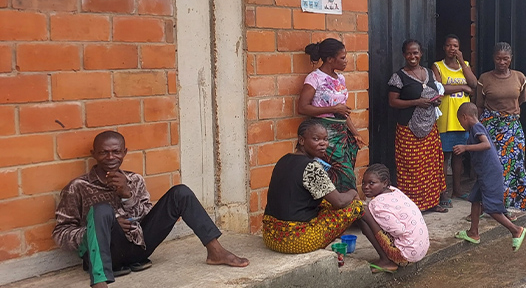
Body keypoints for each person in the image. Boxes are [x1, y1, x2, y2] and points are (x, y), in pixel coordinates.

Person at [53, 131, 248, 288]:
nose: (111, 157)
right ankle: (100, 281)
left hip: (139, 248)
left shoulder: (134, 180)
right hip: (105, 254)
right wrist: (102, 227)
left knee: (180, 192)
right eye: (104, 152)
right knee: (101, 211)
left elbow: (147, 217)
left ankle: (215, 252)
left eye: (116, 151)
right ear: (93, 153)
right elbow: (61, 233)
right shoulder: (77, 187)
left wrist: (126, 194)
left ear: (124, 152)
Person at [262, 119, 364, 254]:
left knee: (326, 205)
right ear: (302, 140)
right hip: (293, 240)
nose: (323, 144)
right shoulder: (311, 167)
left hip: (270, 235)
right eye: (316, 139)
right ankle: (387, 252)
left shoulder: (283, 159)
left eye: (325, 139)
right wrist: (352, 192)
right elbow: (339, 202)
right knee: (357, 206)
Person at [452, 103, 526, 251]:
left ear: (464, 117)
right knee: (475, 199)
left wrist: (465, 147)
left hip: (489, 174)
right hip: (485, 173)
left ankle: (516, 230)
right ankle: (473, 233)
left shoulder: (476, 128)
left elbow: (485, 144)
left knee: (491, 208)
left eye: (460, 121)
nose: (461, 125)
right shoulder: (478, 127)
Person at [388, 39, 448, 213]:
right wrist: (416, 102)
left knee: (431, 165)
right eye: (408, 53)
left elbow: (437, 91)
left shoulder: (429, 73)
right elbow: (393, 102)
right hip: (408, 128)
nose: (412, 56)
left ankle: (432, 202)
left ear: (421, 54)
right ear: (404, 55)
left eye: (415, 53)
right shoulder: (398, 77)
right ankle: (413, 206)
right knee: (411, 167)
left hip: (429, 127)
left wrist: (435, 101)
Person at [298, 38, 363, 192]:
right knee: (344, 173)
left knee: (341, 172)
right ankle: (345, 206)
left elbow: (343, 111)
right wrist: (334, 109)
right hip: (324, 132)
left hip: (342, 131)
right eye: (342, 58)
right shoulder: (314, 78)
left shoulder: (340, 78)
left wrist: (355, 133)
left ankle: (338, 210)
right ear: (330, 59)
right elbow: (302, 107)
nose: (346, 61)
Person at [475, 42, 526, 213]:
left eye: (505, 59)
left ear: (511, 59)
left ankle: (510, 203)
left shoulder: (520, 77)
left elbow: (521, 100)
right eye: (498, 58)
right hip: (491, 127)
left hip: (512, 127)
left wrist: (508, 115)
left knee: (515, 164)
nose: (502, 62)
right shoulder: (484, 79)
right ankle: (490, 204)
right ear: (493, 58)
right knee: (494, 165)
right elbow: (479, 105)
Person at [357, 164, 429, 273]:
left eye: (371, 183)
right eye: (364, 183)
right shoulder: (394, 191)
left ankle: (385, 261)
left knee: (363, 213)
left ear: (385, 183)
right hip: (420, 250)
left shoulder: (376, 204)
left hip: (406, 256)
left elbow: (399, 230)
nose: (366, 187)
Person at [431, 34, 477, 201]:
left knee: (459, 156)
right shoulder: (438, 66)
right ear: (444, 48)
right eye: (449, 45)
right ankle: (442, 193)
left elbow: (473, 84)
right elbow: (439, 88)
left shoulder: (464, 65)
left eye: (455, 46)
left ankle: (457, 189)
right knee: (444, 157)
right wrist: (462, 86)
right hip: (445, 117)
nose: (452, 49)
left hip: (462, 120)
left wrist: (463, 64)